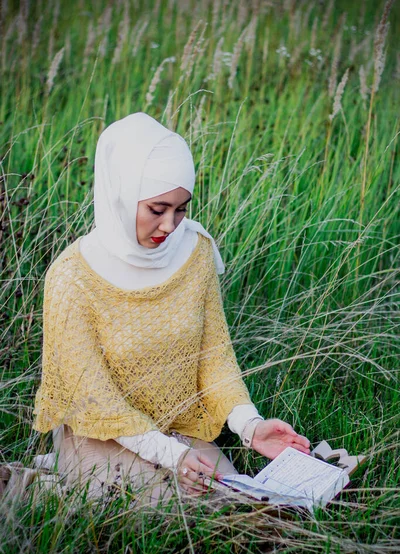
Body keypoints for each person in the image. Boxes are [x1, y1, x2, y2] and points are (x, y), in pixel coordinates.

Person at [32, 112, 310, 506]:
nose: (170, 225)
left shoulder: (194, 252)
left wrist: (251, 427)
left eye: (181, 209)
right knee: (151, 512)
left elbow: (214, 358)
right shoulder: (71, 277)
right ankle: (38, 483)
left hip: (179, 424)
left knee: (234, 505)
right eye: (157, 209)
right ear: (120, 194)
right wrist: (171, 455)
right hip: (101, 432)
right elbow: (94, 395)